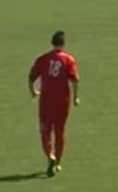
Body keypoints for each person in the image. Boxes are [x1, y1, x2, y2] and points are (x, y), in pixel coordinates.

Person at [28, 31, 80, 177]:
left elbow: (31, 77)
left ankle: (49, 154)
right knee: (60, 131)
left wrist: (33, 91)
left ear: (52, 43)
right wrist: (76, 97)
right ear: (64, 43)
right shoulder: (69, 59)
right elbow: (75, 80)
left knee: (45, 131)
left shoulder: (43, 59)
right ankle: (57, 162)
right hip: (62, 101)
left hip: (46, 101)